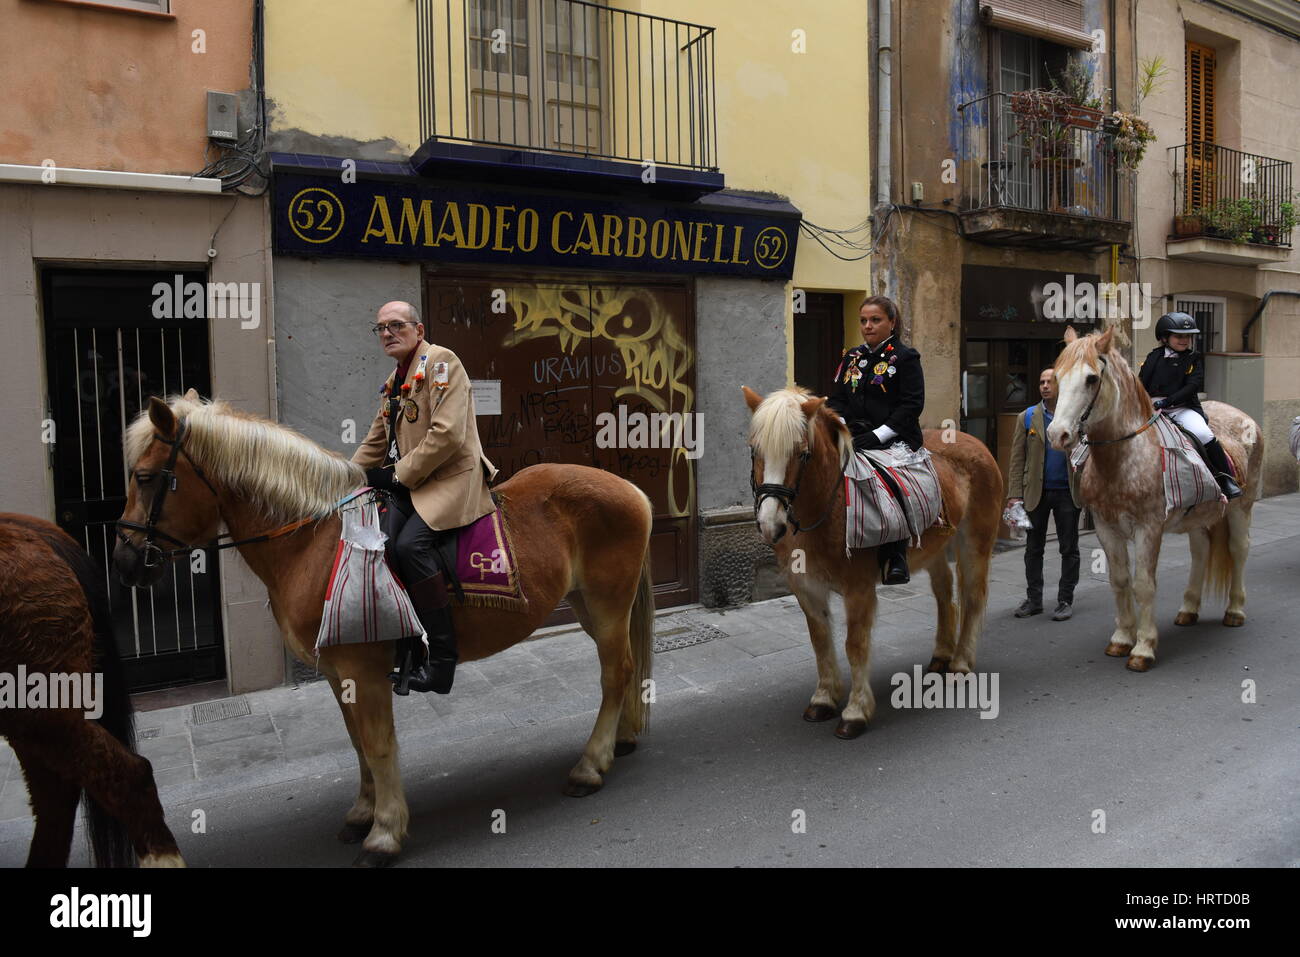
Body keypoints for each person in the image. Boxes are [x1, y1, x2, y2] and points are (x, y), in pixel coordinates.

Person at [352, 301, 497, 694]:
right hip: (417, 483)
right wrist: (342, 478)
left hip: (453, 478)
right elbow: (374, 440)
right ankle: (409, 645)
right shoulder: (393, 382)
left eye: (396, 325)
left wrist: (396, 474)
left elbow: (448, 435)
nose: (387, 333)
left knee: (410, 545)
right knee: (381, 545)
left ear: (418, 328)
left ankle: (443, 663)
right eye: (380, 327)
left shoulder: (442, 363)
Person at [827, 295, 925, 585]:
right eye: (863, 321)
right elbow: (837, 399)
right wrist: (842, 427)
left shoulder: (906, 357)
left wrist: (879, 434)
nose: (867, 326)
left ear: (891, 322)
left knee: (891, 481)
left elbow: (912, 405)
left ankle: (896, 553)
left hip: (895, 436)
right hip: (855, 435)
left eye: (875, 320)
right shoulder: (852, 357)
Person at [1138, 312, 1242, 500]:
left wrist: (1167, 402)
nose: (1185, 340)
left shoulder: (1193, 358)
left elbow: (1192, 386)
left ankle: (1226, 479)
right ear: (1164, 337)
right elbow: (1141, 382)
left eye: (1187, 336)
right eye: (1179, 336)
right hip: (1151, 407)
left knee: (1204, 434)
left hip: (1181, 407)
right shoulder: (1153, 357)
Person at [1007, 368, 1083, 620]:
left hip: (1068, 491)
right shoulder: (1027, 417)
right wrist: (1014, 494)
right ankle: (1034, 599)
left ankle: (1065, 600)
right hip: (1035, 493)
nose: (1045, 386)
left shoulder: (1076, 417)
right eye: (1041, 382)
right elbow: (1017, 459)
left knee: (1068, 548)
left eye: (1050, 382)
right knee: (1033, 549)